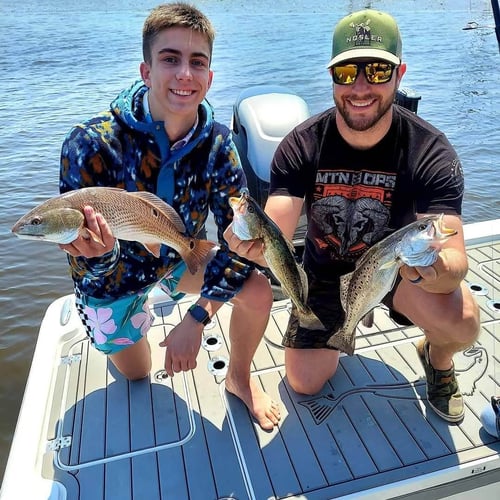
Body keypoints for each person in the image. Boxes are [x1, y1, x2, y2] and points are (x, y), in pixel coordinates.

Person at [225, 9, 480, 423]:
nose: (360, 87)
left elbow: (455, 265)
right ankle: (340, 330)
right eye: (346, 73)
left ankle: (438, 360)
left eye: (377, 71)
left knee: (462, 321)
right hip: (324, 272)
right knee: (304, 382)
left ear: (399, 74)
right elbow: (276, 229)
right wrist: (250, 240)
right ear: (331, 77)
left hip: (396, 270)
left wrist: (429, 269)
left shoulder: (431, 152)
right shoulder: (301, 143)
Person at [58, 2, 280, 431]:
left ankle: (239, 378)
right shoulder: (90, 144)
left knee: (257, 289)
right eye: (170, 59)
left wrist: (197, 318)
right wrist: (101, 255)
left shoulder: (218, 145)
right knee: (138, 374)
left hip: (180, 259)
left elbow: (240, 242)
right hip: (114, 281)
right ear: (146, 71)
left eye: (197, 62)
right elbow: (84, 264)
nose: (184, 74)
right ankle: (130, 328)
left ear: (209, 77)